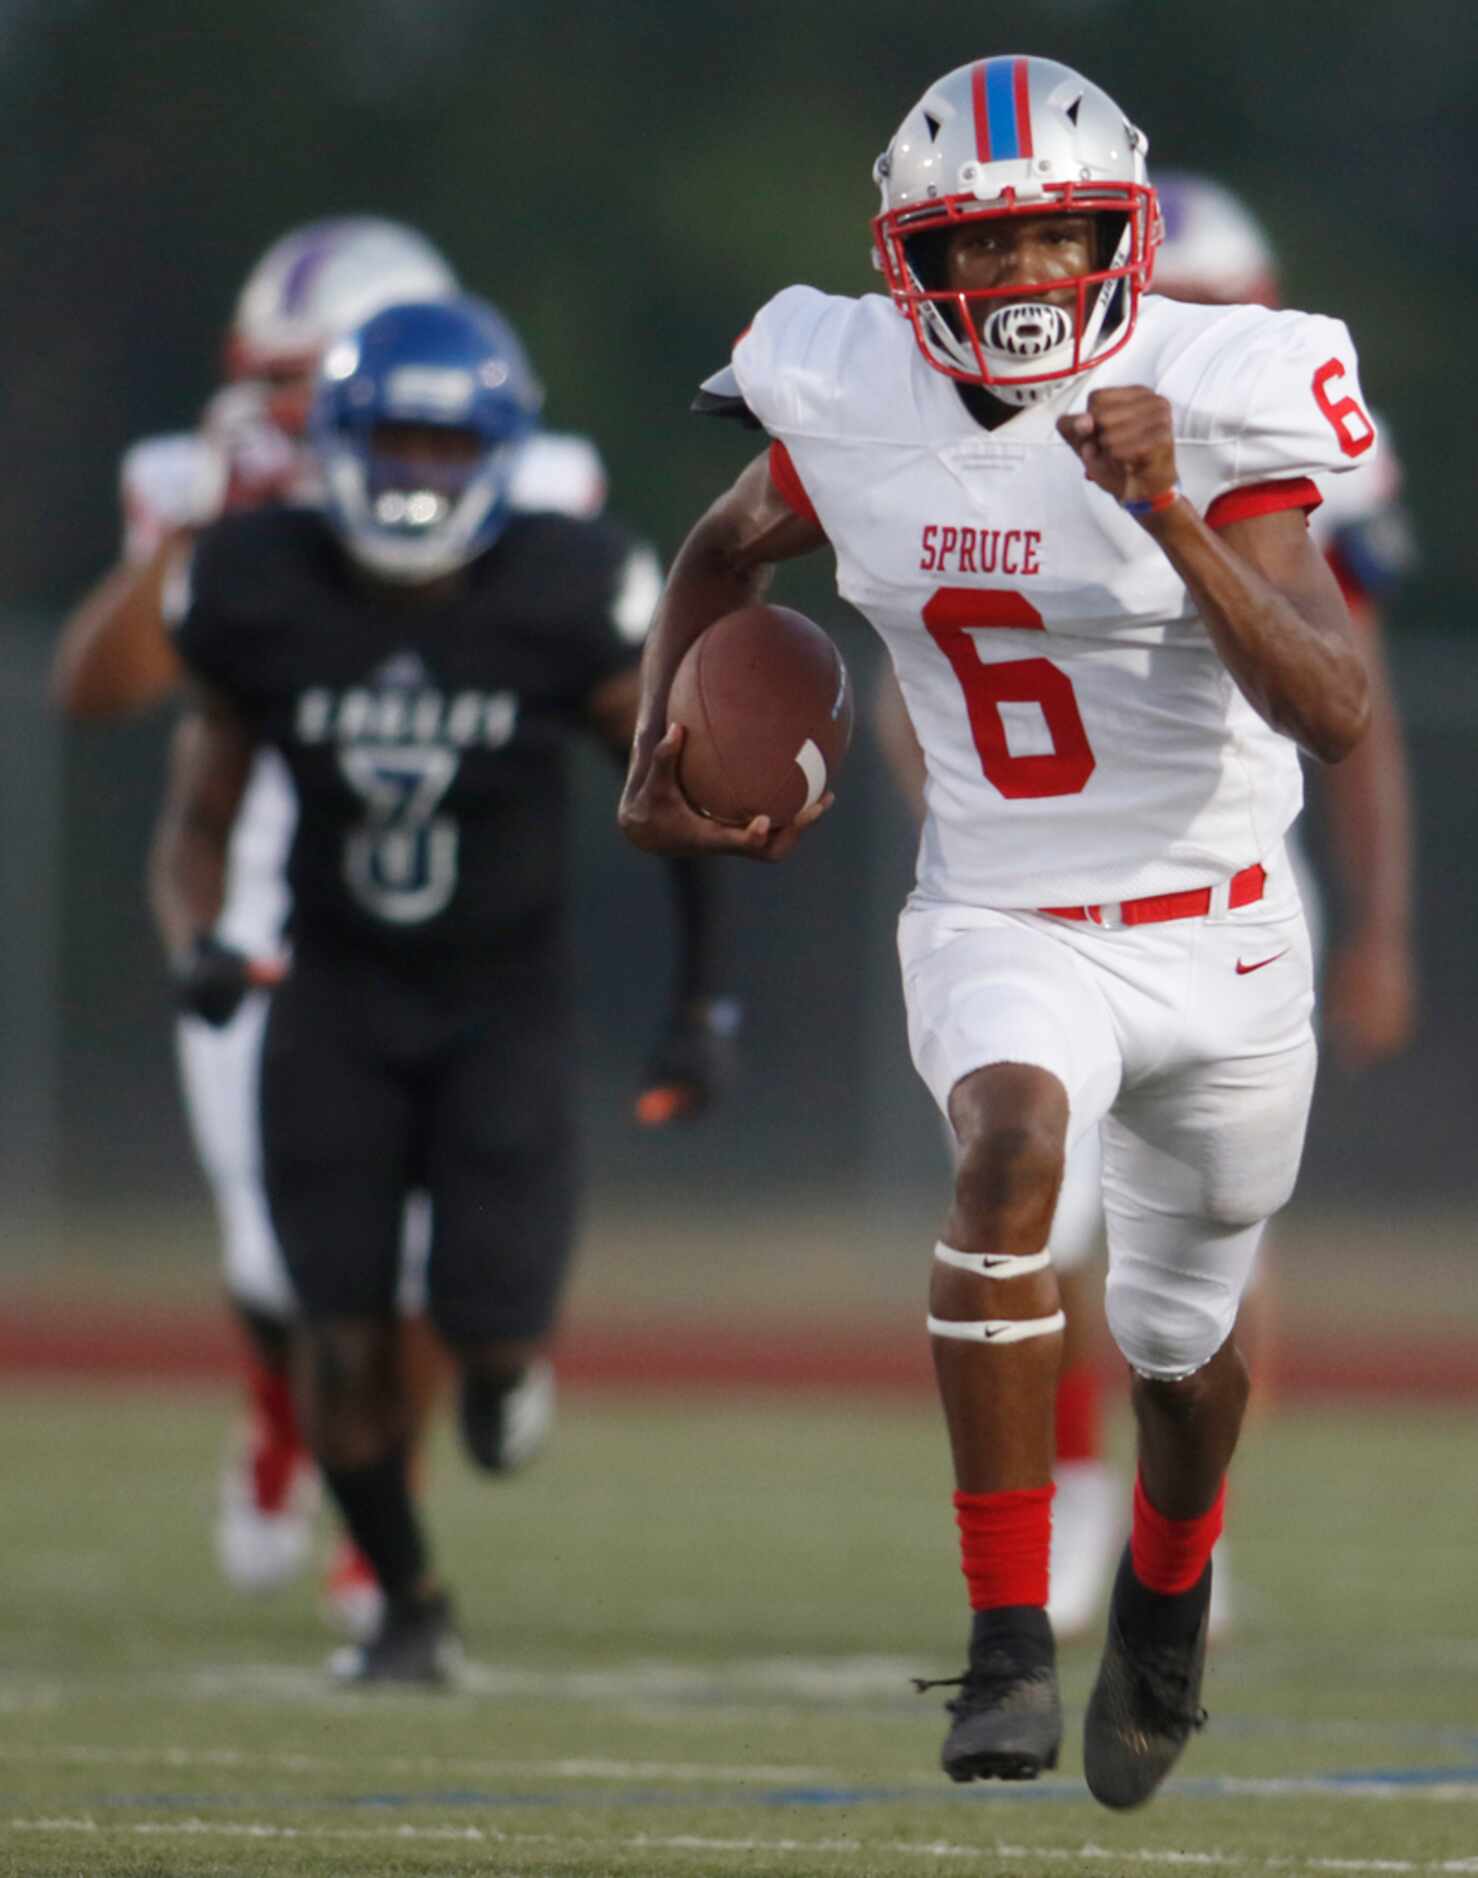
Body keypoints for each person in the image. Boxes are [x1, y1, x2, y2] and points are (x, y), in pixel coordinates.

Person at [619, 56, 1374, 1810]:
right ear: (911, 267)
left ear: (1121, 237)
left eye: (1057, 236)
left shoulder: (1220, 391)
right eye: (984, 245)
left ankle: (1164, 1602)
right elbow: (723, 555)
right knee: (1009, 1148)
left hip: (1221, 925)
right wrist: (658, 750)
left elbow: (1332, 706)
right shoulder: (846, 390)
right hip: (1002, 900)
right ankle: (1006, 1640)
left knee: (1184, 1358)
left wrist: (1172, 507)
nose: (1026, 277)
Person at [52, 218, 621, 1638]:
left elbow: (605, 649)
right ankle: (279, 1413)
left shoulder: (536, 477)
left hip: (451, 880)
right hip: (263, 867)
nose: (299, 410)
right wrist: (207, 514)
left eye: (315, 377)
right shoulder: (205, 487)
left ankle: (387, 1526)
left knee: (440, 1263)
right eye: (276, 379)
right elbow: (102, 686)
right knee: (281, 1250)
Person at [872, 168, 1418, 1641]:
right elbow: (905, 667)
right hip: (1035, 889)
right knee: (1031, 1210)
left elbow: (1338, 694)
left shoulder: (1264, 426)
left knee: (1203, 1245)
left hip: (1219, 868)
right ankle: (1060, 1507)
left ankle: (1180, 1526)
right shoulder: (974, 408)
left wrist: (1381, 924)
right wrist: (993, 847)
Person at [152, 293, 730, 1684]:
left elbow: (679, 797)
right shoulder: (258, 579)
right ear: (340, 445)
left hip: (500, 1007)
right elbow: (200, 816)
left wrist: (703, 1001)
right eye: (393, 441)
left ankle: (502, 1364)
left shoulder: (563, 585)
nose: (416, 474)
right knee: (337, 1337)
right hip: (335, 995)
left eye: (444, 445)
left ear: (499, 455)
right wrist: (199, 941)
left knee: (489, 1323)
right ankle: (409, 1602)